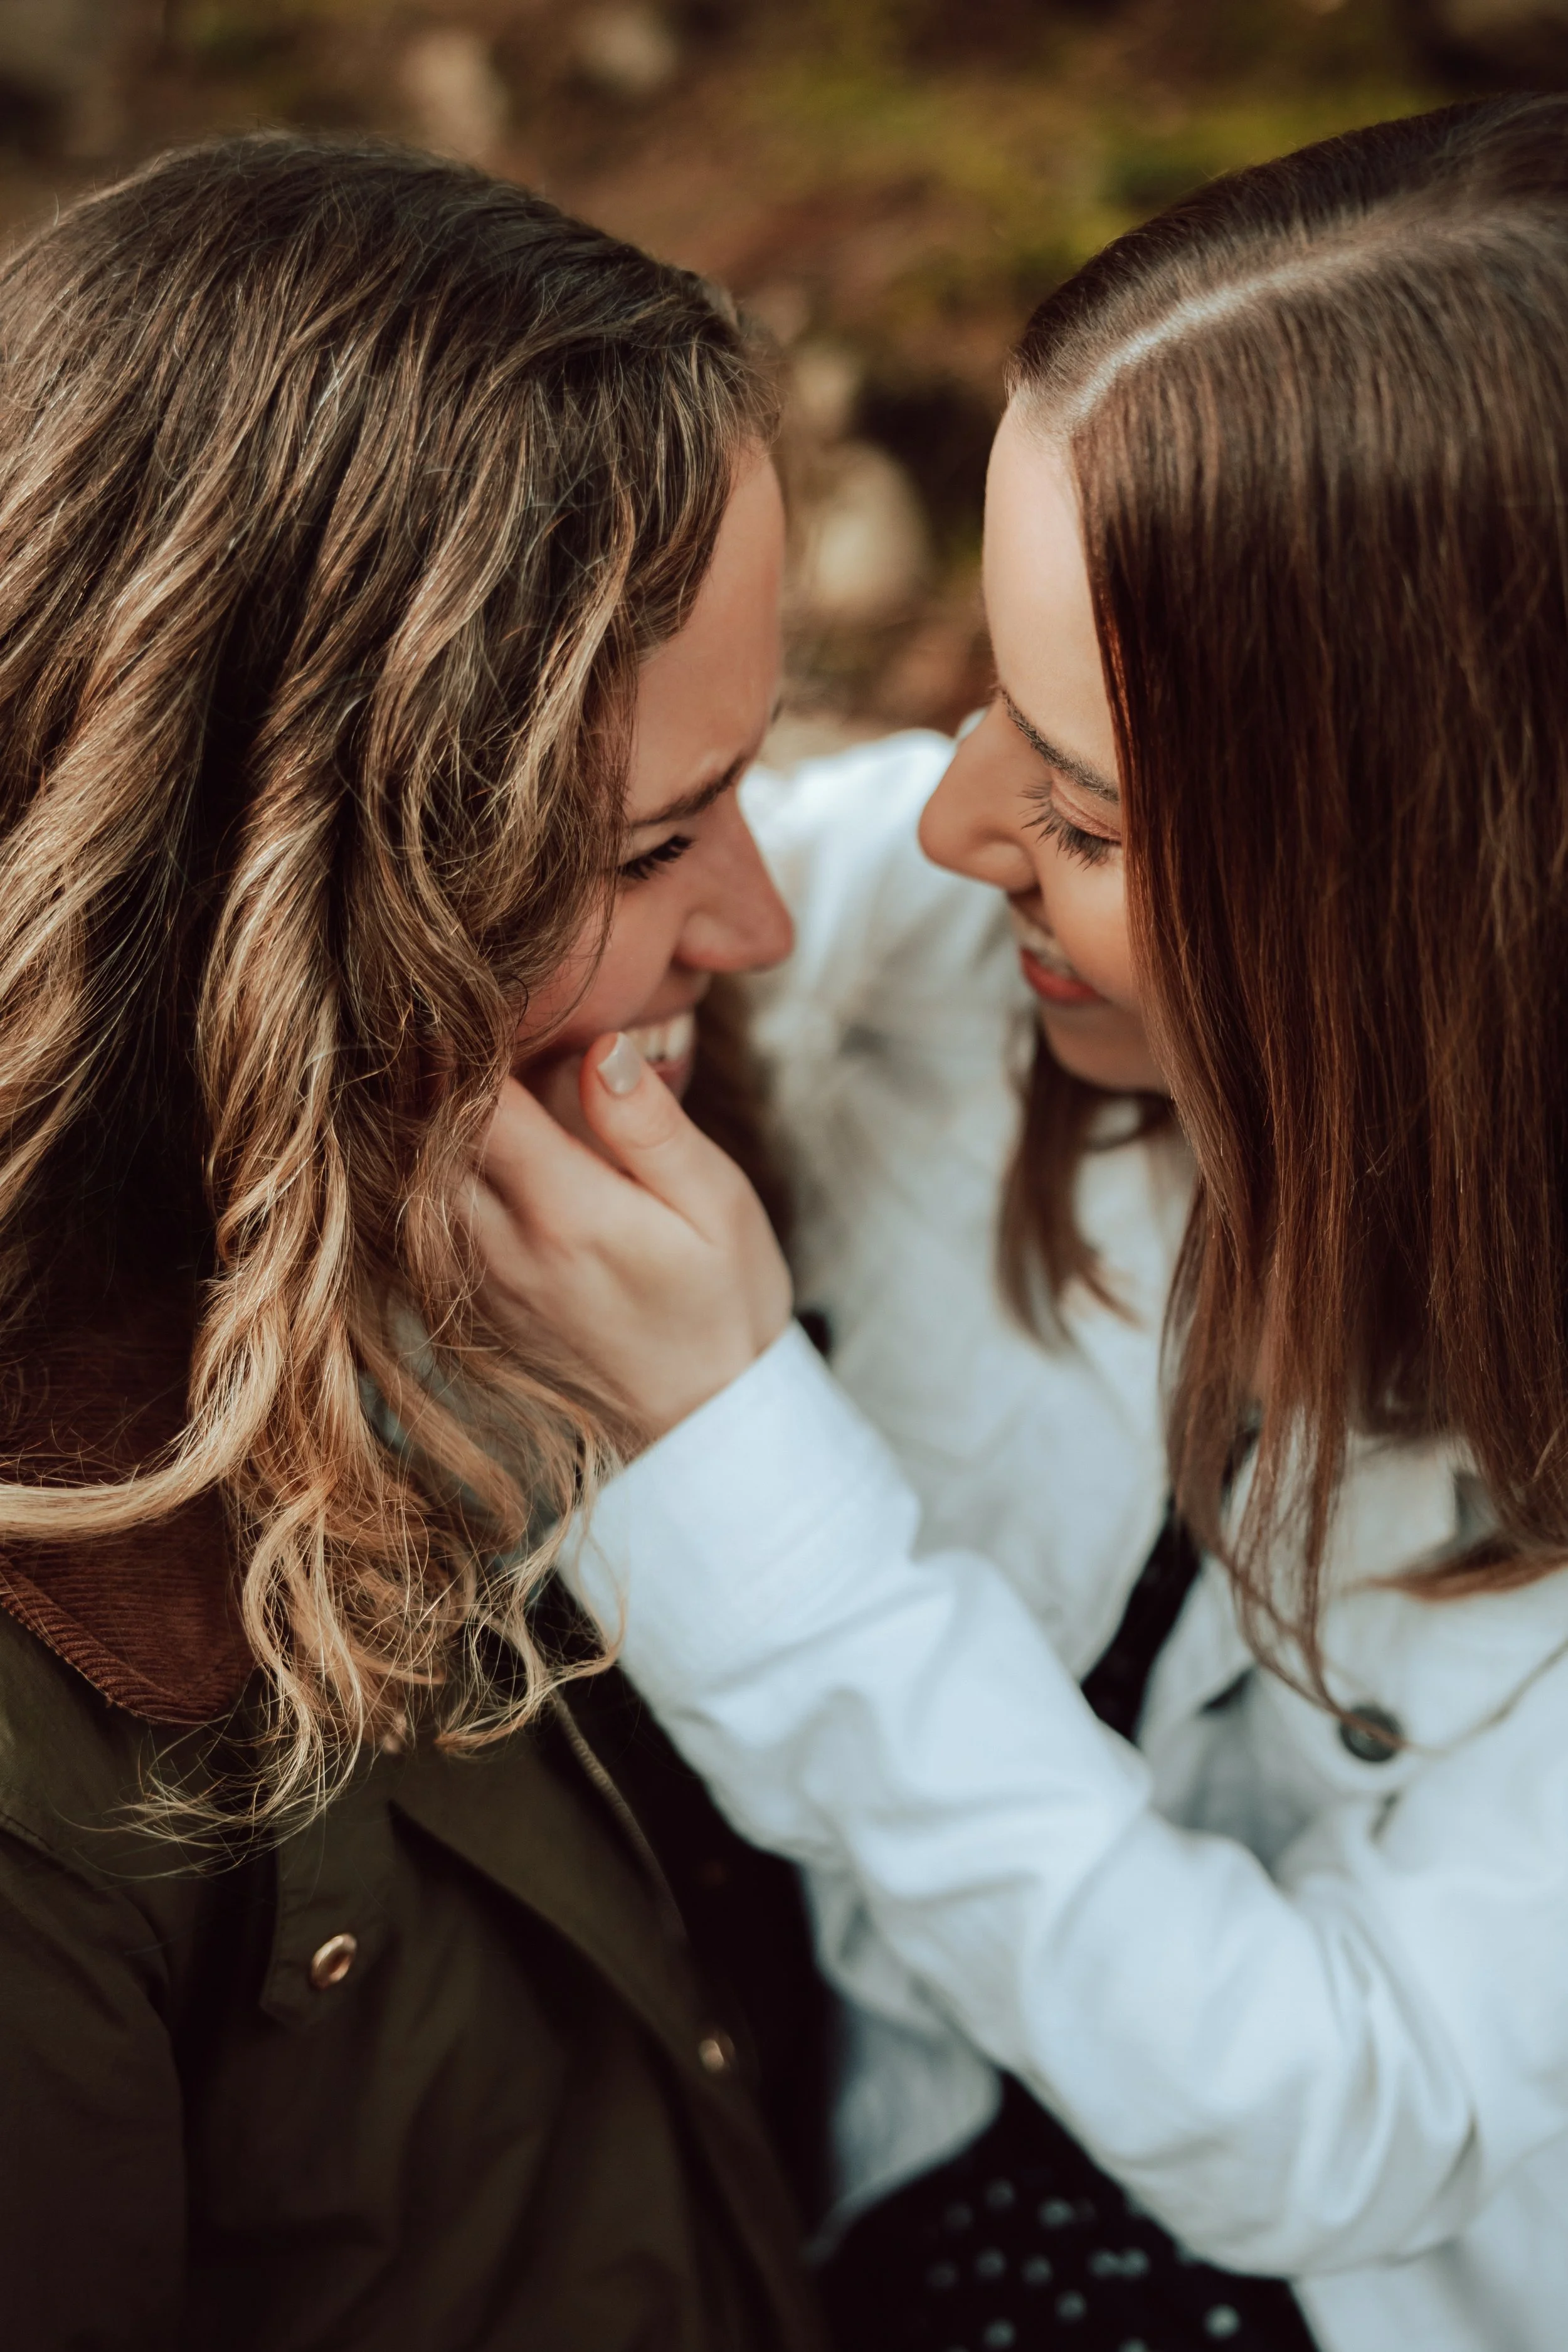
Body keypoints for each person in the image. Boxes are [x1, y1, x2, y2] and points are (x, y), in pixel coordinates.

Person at [475, 96, 1568, 2352]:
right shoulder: (928, 948)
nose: (958, 814)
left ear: (1432, 920)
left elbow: (1334, 2105)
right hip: (846, 2193)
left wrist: (732, 1466)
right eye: (989, 692)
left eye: (1077, 808)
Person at [0, 131, 832, 2350]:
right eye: (658, 841)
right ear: (282, 885)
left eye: (755, 782)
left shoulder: (498, 1207)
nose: (759, 922)